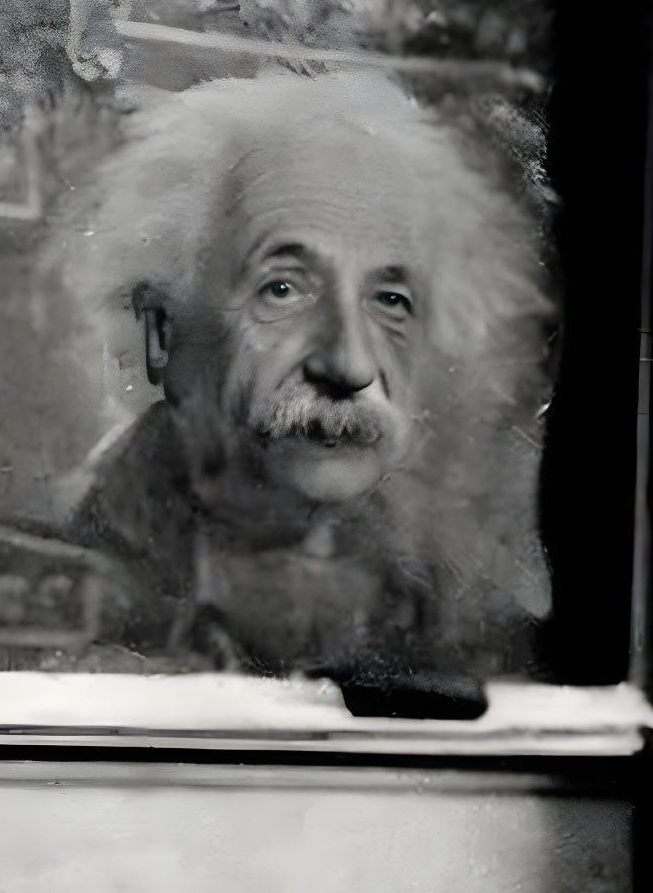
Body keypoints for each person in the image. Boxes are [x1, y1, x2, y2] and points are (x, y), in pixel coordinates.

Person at [56, 70, 555, 677]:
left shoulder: (469, 620)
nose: (350, 364)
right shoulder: (34, 600)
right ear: (164, 335)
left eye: (390, 301)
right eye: (283, 289)